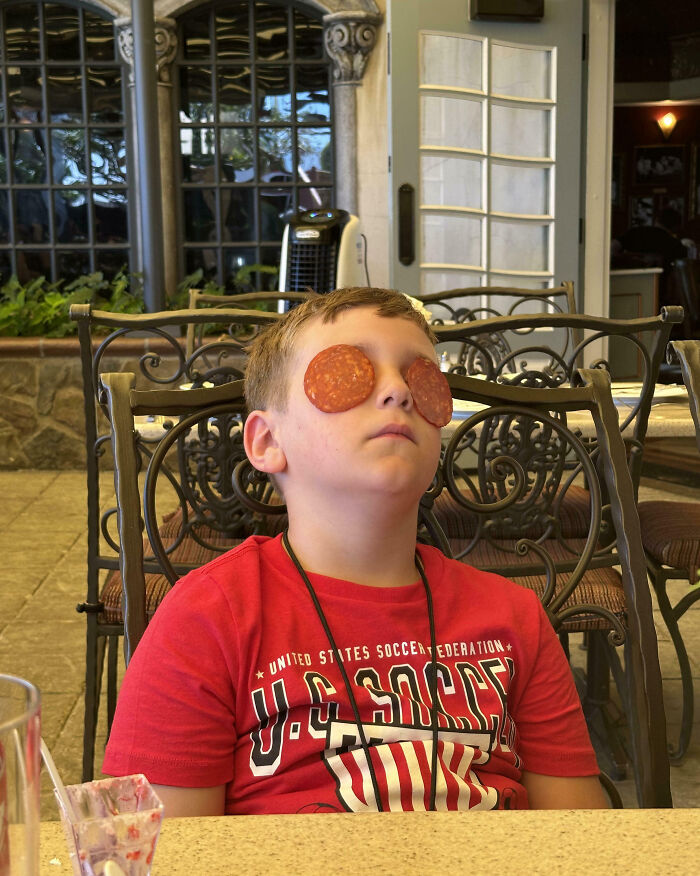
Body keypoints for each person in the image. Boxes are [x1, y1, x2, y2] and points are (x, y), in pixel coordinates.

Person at [103, 287, 607, 814]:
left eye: (421, 377)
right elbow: (166, 853)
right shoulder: (207, 620)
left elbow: (577, 840)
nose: (397, 390)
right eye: (349, 372)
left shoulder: (515, 618)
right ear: (267, 442)